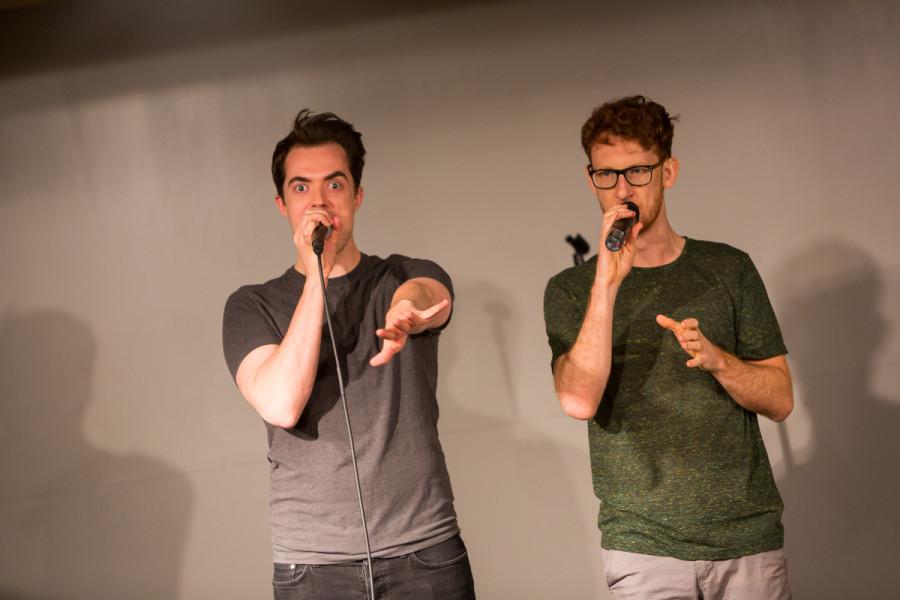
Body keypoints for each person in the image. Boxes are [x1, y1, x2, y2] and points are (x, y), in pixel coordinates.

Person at [543, 95, 793, 599]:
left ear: (668, 171)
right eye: (606, 175)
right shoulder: (572, 291)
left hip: (745, 539)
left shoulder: (728, 269)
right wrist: (607, 285)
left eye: (637, 172)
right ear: (590, 177)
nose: (622, 189)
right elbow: (578, 401)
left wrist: (720, 361)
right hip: (643, 547)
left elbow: (781, 399)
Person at [222, 109, 475, 600]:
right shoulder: (250, 305)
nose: (319, 201)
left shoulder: (403, 273)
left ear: (357, 195)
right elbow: (280, 404)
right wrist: (318, 273)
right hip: (313, 569)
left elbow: (425, 295)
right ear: (281, 204)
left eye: (334, 185)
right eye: (301, 188)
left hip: (424, 555)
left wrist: (407, 311)